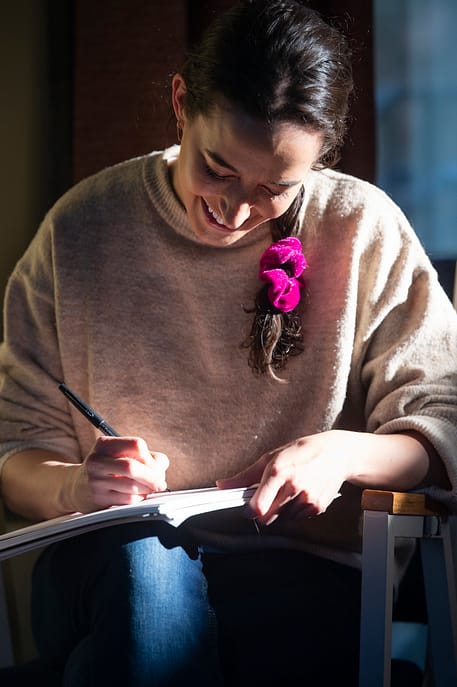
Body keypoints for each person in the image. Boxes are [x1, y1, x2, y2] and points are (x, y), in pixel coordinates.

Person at [0, 1, 456, 685]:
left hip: (299, 564)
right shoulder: (83, 227)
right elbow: (15, 444)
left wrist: (342, 451)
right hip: (111, 562)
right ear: (181, 103)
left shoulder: (362, 228)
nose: (235, 210)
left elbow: (443, 418)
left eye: (274, 188)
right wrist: (77, 485)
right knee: (146, 586)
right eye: (216, 168)